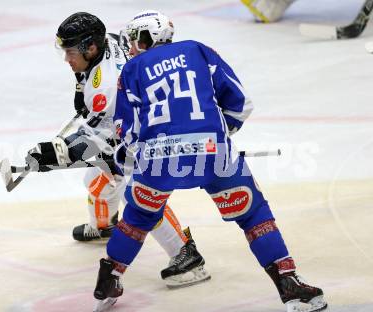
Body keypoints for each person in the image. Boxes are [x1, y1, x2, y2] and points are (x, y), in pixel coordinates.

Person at [91, 10, 328, 312]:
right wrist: (217, 133)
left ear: (146, 37)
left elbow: (128, 131)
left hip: (158, 161)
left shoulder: (132, 70)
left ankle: (109, 278)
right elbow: (241, 103)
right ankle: (289, 282)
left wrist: (128, 159)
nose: (131, 48)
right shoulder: (198, 50)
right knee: (253, 213)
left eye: (134, 41)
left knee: (137, 219)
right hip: (213, 153)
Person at [25, 12, 210, 289]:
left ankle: (187, 255)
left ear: (91, 47)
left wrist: (60, 151)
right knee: (99, 181)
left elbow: (105, 140)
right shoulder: (109, 42)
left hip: (152, 135)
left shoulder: (108, 86)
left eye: (71, 52)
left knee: (139, 195)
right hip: (144, 123)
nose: (66, 59)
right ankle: (105, 227)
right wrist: (81, 86)